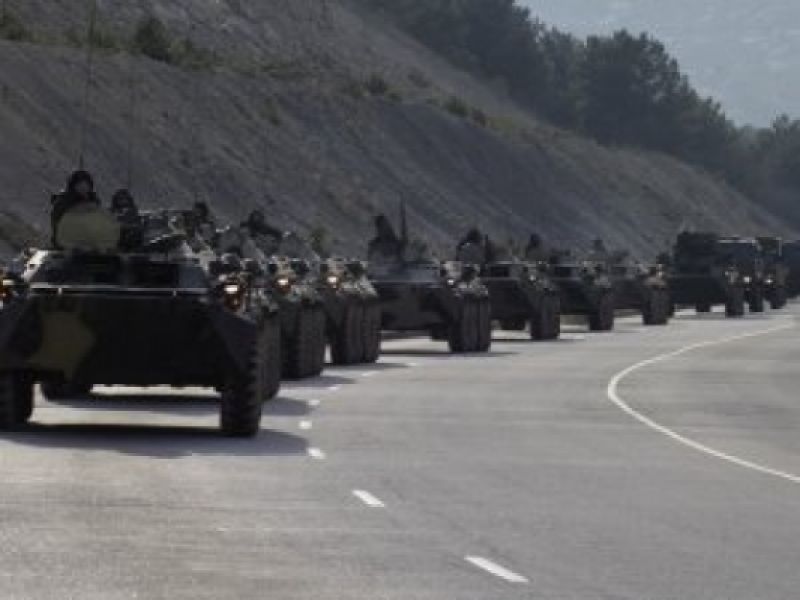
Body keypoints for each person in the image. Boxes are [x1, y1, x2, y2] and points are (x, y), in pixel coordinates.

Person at [50, 170, 101, 248]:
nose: (83, 188)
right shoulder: (63, 202)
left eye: (86, 185)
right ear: (73, 186)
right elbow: (58, 225)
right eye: (80, 185)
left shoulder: (94, 202)